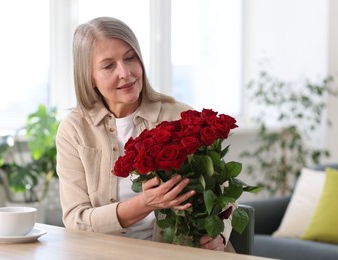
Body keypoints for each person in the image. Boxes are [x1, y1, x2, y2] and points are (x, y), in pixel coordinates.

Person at [56, 16, 234, 252]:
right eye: (109, 66)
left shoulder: (181, 116)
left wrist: (218, 236)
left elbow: (226, 198)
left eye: (130, 58)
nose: (125, 72)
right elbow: (76, 221)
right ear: (89, 77)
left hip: (181, 252)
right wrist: (144, 203)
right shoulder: (74, 130)